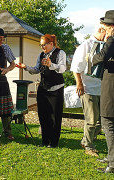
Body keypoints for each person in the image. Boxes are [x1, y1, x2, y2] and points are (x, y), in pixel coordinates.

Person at [17, 34, 66, 148]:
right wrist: (25, 67)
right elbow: (36, 69)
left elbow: (63, 68)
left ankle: (53, 143)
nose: (42, 47)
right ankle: (45, 141)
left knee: (54, 117)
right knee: (43, 115)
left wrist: (51, 64)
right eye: (41, 45)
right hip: (43, 88)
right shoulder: (41, 55)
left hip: (56, 89)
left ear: (51, 44)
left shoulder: (60, 53)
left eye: (44, 45)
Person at [70, 27, 106, 157]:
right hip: (88, 88)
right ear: (101, 30)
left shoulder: (106, 45)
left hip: (102, 88)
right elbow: (76, 67)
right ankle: (88, 146)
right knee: (91, 119)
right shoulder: (86, 45)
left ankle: (86, 139)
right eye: (106, 32)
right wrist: (79, 83)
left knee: (102, 119)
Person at [92, 10, 114, 174]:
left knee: (108, 124)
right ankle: (110, 156)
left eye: (106, 27)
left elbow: (100, 57)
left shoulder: (112, 41)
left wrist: (90, 58)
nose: (104, 30)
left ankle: (112, 164)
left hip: (111, 90)